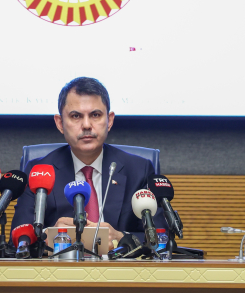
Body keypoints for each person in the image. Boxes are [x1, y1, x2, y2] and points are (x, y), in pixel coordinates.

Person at [11, 77, 166, 244]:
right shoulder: (38, 171)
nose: (86, 125)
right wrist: (47, 236)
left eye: (95, 115)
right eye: (76, 116)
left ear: (109, 120)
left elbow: (161, 237)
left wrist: (121, 238)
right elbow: (18, 239)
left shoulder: (139, 170)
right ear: (60, 123)